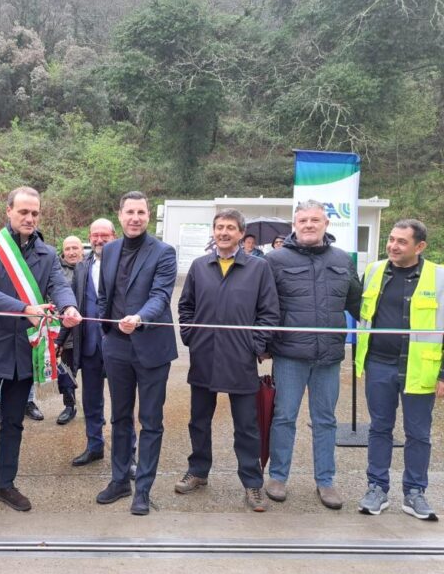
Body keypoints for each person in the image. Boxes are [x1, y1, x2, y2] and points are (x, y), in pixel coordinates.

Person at [0, 186, 81, 515]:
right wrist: (26, 308)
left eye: (35, 213)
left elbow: (59, 285)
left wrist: (69, 307)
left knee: (14, 423)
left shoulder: (48, 253)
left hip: (25, 352)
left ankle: (5, 486)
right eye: (23, 211)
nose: (29, 218)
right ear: (8, 211)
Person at [176, 209, 279, 512]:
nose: (223, 232)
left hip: (240, 358)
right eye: (219, 227)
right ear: (213, 231)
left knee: (246, 426)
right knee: (199, 420)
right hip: (204, 356)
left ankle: (252, 484)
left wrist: (254, 344)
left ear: (241, 234)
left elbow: (269, 313)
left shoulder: (258, 269)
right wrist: (192, 338)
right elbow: (185, 308)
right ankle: (198, 471)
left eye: (230, 228)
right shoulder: (199, 266)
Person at [264, 199, 361, 510]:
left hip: (328, 357)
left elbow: (358, 304)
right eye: (303, 220)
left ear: (326, 224)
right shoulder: (275, 260)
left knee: (325, 420)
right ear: (295, 224)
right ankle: (278, 476)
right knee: (284, 417)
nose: (308, 224)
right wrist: (263, 345)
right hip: (290, 355)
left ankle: (326, 481)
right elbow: (266, 307)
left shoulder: (343, 259)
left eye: (315, 220)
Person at [96, 191, 178, 516]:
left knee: (151, 421)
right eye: (129, 211)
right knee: (119, 417)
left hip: (151, 347)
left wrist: (140, 317)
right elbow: (104, 295)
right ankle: (119, 480)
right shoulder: (110, 249)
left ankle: (142, 489)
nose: (135, 217)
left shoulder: (163, 252)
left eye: (141, 212)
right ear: (120, 214)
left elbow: (160, 296)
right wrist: (106, 330)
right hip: (116, 348)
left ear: (148, 216)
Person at [355, 219, 444, 519]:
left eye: (401, 241)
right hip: (379, 365)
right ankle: (377, 488)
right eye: (391, 239)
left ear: (420, 246)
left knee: (418, 433)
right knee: (379, 428)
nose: (393, 245)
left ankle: (415, 492)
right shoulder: (373, 271)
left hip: (421, 368)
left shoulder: (439, 277)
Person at [58, 220, 117, 465]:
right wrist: (59, 340)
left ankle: (127, 454)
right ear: (89, 238)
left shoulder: (124, 264)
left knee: (122, 404)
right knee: (91, 401)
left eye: (105, 235)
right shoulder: (82, 267)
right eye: (95, 235)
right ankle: (95, 446)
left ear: (114, 236)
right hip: (90, 346)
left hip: (118, 346)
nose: (99, 239)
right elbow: (72, 307)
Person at [55, 235, 84, 425]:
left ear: (82, 250)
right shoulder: (56, 270)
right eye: (68, 249)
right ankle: (69, 406)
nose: (72, 252)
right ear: (63, 251)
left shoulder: (91, 267)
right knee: (66, 372)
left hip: (87, 332)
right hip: (65, 331)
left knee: (93, 374)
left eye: (75, 248)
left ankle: (93, 408)